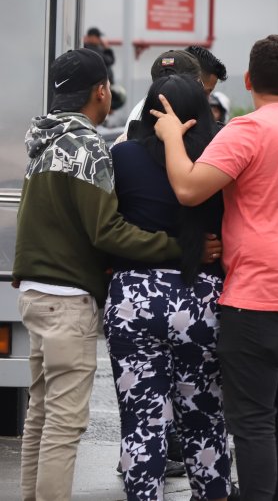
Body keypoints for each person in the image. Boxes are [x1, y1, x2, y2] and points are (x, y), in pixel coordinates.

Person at [149, 34, 278, 500]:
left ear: (250, 80)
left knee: (253, 421)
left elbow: (190, 188)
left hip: (256, 298)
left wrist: (173, 137)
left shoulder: (247, 130)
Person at [13, 48, 185, 501]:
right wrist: (176, 248)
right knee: (65, 424)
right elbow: (107, 231)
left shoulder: (46, 140)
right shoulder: (86, 146)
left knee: (40, 415)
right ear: (102, 91)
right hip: (66, 298)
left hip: (34, 291)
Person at [107, 76, 233, 501]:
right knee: (205, 420)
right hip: (199, 300)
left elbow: (110, 227)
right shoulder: (219, 161)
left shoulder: (122, 156)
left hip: (134, 302)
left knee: (143, 422)